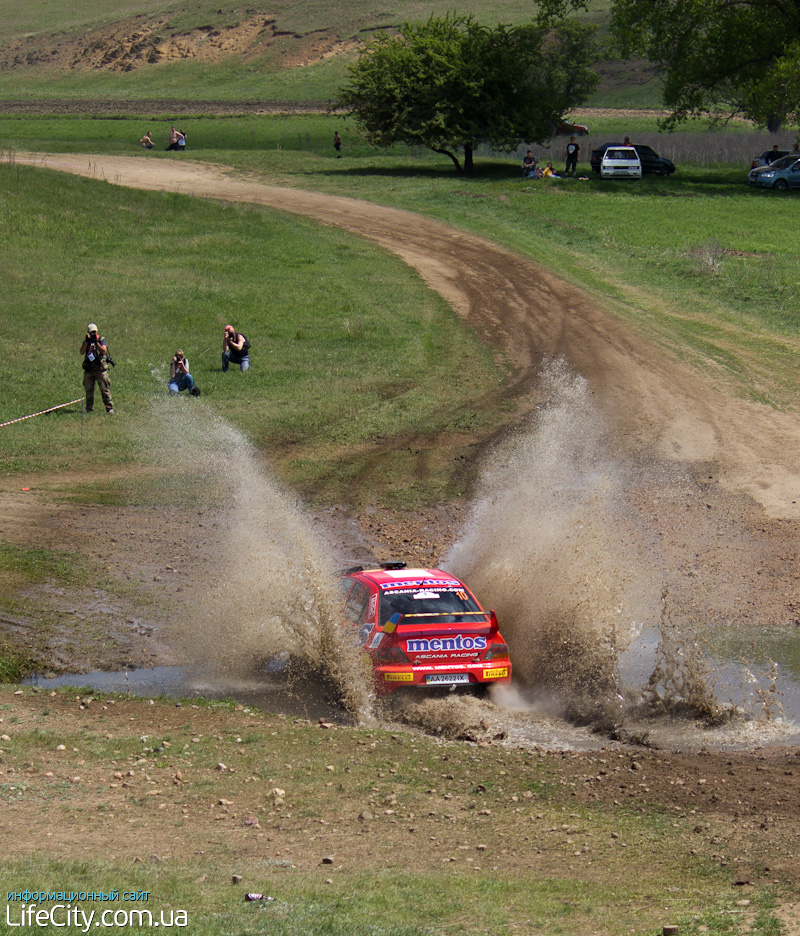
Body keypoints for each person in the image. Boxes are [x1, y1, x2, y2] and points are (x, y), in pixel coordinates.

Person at [80, 323, 114, 414]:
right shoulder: (86, 341)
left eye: (94, 332)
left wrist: (96, 343)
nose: (93, 334)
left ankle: (109, 409)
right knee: (89, 390)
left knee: (104, 390)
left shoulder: (101, 340)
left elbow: (103, 351)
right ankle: (89, 409)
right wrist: (87, 342)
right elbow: (82, 352)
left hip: (100, 369)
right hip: (89, 369)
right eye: (91, 332)